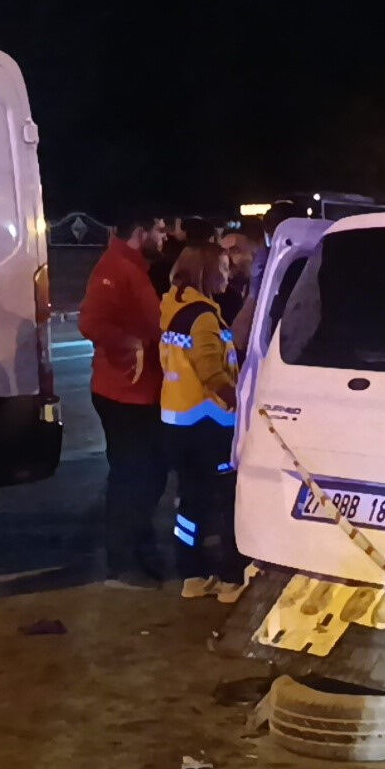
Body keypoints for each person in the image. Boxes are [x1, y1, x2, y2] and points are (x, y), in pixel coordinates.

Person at [79, 214, 170, 588]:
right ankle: (122, 563)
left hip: (139, 391)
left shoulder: (133, 266)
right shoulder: (115, 268)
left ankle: (140, 551)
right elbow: (91, 323)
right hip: (123, 392)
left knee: (149, 476)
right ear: (141, 230)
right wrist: (132, 344)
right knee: (132, 478)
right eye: (161, 230)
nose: (165, 237)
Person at [159, 242, 245, 602]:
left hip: (177, 422)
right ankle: (230, 578)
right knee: (226, 501)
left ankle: (191, 574)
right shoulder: (204, 316)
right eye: (223, 267)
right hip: (210, 424)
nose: (228, 273)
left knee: (189, 500)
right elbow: (211, 371)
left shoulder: (172, 304)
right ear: (207, 271)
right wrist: (238, 402)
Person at [217, 229, 257, 325]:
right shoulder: (220, 294)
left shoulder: (259, 287)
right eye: (224, 252)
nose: (228, 256)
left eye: (235, 251)